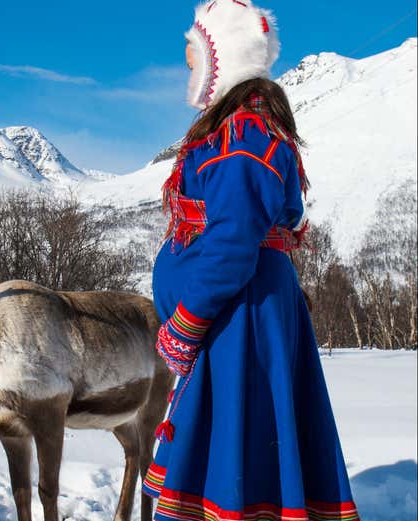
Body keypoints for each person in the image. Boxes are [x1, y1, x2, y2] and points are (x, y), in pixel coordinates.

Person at [141, 1, 361, 520]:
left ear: (222, 59)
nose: (188, 67)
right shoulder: (245, 131)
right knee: (243, 446)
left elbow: (233, 244)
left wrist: (185, 324)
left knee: (238, 447)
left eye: (193, 56)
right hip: (241, 315)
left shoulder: (240, 137)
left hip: (237, 323)